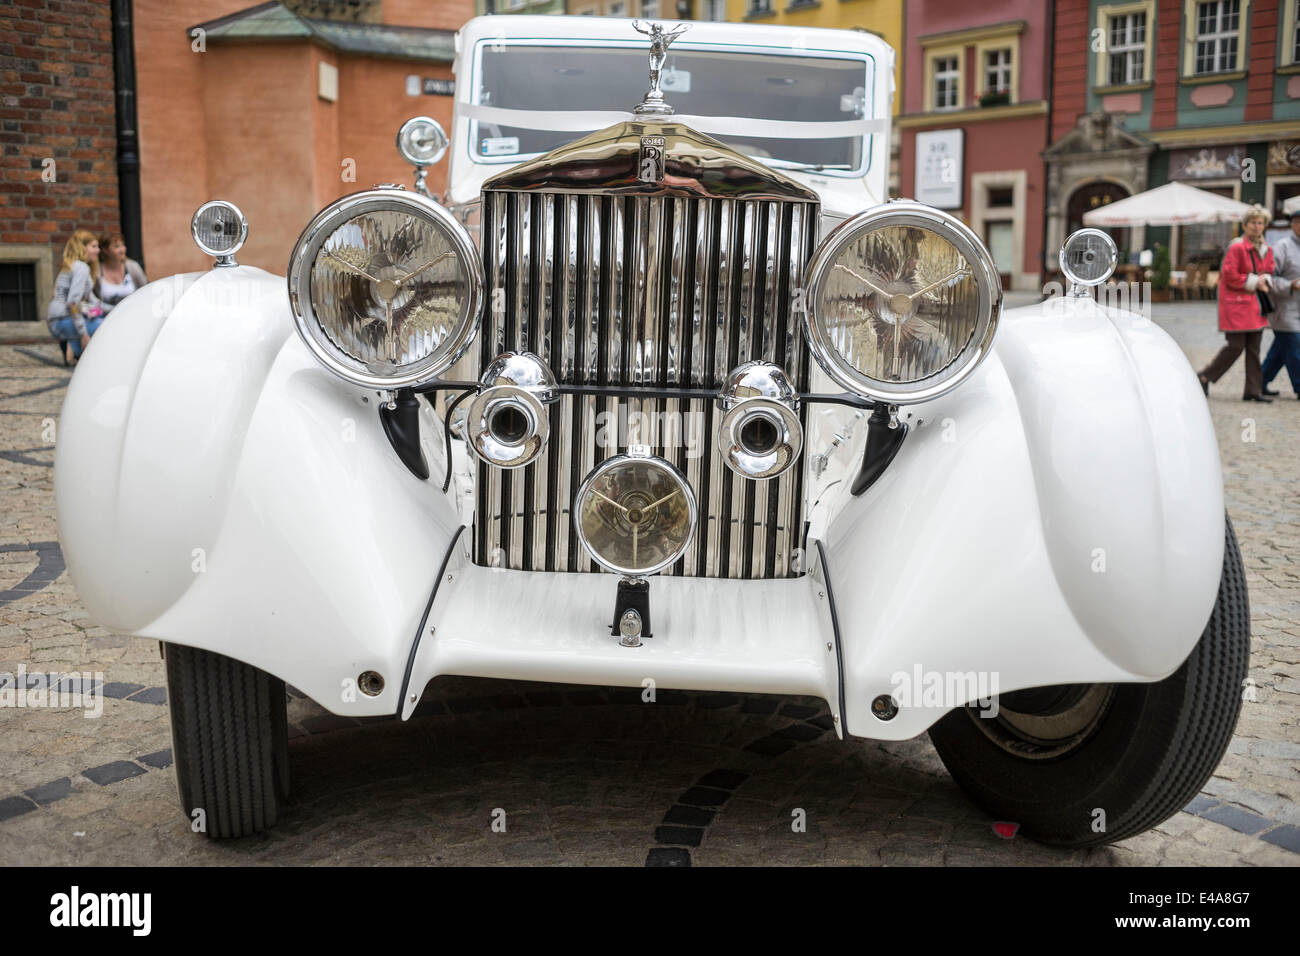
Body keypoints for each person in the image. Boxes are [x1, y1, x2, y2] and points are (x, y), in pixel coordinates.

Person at [1198, 206, 1275, 402]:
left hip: (1255, 305)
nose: (1257, 227)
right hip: (1236, 305)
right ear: (1245, 225)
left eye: (1260, 223)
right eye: (1253, 223)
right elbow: (1229, 275)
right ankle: (1205, 376)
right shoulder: (1237, 247)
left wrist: (1265, 279)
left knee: (1254, 348)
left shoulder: (1265, 248)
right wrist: (1255, 281)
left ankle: (1253, 390)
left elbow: (1269, 269)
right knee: (1236, 346)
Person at [46, 229, 105, 365]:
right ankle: (76, 349)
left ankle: (74, 351)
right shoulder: (81, 268)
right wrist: (84, 334)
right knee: (104, 326)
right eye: (94, 246)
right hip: (61, 320)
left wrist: (119, 307)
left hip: (58, 319)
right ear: (82, 247)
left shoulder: (76, 266)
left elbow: (94, 302)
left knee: (103, 319)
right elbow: (72, 303)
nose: (98, 250)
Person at [1260, 209, 1300, 399]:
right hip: (1285, 309)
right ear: (1291, 225)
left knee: (1279, 351)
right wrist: (1290, 285)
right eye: (1297, 221)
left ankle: (1259, 381)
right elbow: (1268, 278)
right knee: (1294, 348)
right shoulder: (1281, 247)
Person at [95, 232, 147, 314]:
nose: (122, 250)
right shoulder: (96, 271)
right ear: (105, 250)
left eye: (123, 245)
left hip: (134, 315)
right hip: (106, 320)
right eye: (116, 246)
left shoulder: (132, 267)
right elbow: (92, 301)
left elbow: (146, 291)